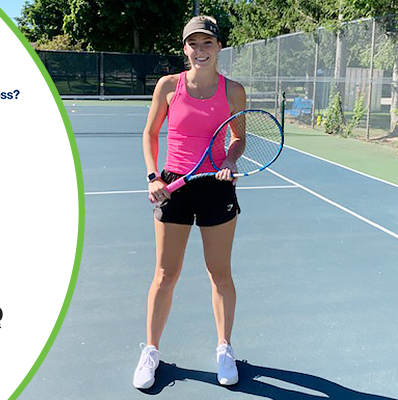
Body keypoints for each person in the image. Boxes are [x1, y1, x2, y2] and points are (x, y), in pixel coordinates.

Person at [133, 15, 247, 390]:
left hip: (216, 187)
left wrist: (230, 160)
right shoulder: (169, 86)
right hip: (173, 187)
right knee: (165, 275)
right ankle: (151, 350)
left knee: (220, 274)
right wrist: (153, 177)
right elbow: (150, 134)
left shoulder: (233, 92)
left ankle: (224, 348)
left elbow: (238, 139)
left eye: (207, 44)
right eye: (193, 44)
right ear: (185, 48)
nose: (200, 51)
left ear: (218, 47)